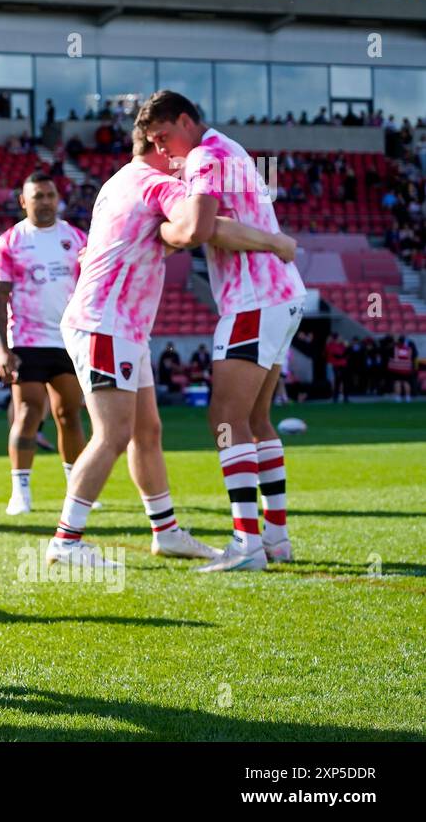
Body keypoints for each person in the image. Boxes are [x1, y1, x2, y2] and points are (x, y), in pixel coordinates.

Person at [54, 130, 292, 568]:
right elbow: (198, 229)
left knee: (147, 432)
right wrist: (274, 240)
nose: (187, 162)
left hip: (122, 325)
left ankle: (165, 531)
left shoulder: (116, 183)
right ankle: (66, 540)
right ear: (159, 145)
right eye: (178, 153)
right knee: (113, 433)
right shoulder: (156, 182)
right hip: (107, 323)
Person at [140, 89, 307, 571]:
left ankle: (246, 543)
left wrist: (161, 234)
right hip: (280, 294)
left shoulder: (205, 156)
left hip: (254, 298)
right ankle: (275, 538)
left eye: (165, 136)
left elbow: (197, 228)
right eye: (154, 141)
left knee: (226, 419)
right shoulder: (227, 148)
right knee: (256, 421)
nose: (164, 149)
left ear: (187, 122)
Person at [0, 173, 88, 516]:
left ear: (58, 197)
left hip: (69, 341)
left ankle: (77, 491)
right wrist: (2, 349)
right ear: (23, 201)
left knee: (69, 414)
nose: (45, 201)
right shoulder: (9, 242)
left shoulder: (76, 239)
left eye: (50, 195)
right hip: (27, 341)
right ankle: (21, 492)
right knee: (29, 411)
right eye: (37, 196)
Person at [388, 334, 416, 401]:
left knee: (397, 382)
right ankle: (408, 397)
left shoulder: (395, 348)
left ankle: (398, 397)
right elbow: (413, 357)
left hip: (396, 369)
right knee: (406, 383)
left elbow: (389, 356)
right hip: (406, 369)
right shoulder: (409, 349)